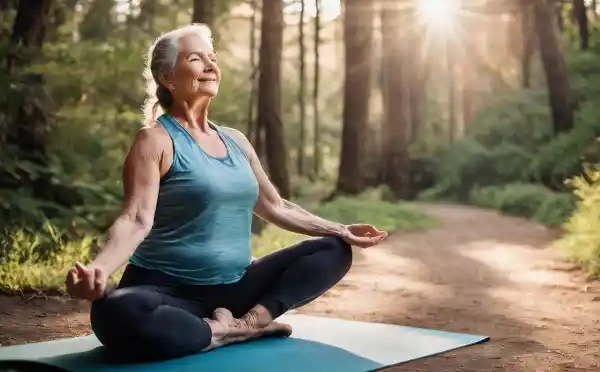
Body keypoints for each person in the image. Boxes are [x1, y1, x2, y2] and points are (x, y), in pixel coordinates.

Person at [64, 24, 388, 362]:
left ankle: (251, 322)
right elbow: (135, 219)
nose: (209, 66)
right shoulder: (155, 141)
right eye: (195, 58)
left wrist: (340, 229)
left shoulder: (236, 141)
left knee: (334, 250)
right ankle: (224, 333)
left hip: (237, 290)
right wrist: (99, 270)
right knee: (116, 313)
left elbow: (276, 206)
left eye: (212, 58)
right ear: (167, 78)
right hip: (166, 291)